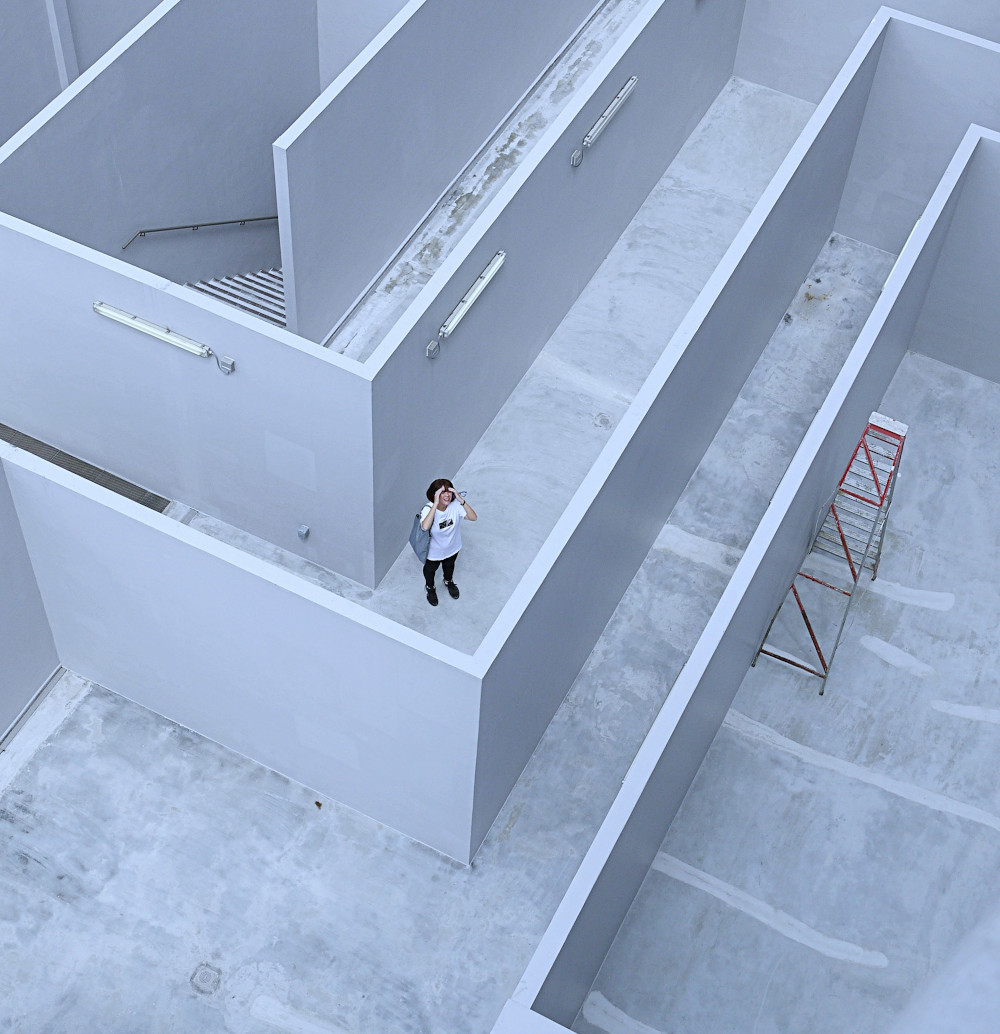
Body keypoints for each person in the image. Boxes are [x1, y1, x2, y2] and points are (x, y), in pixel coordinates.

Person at [420, 478, 477, 606]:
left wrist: (460, 499)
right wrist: (435, 504)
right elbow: (425, 527)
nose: (447, 495)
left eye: (449, 491)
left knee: (449, 567)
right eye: (442, 492)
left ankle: (448, 581)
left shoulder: (456, 505)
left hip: (453, 548)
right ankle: (430, 588)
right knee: (430, 571)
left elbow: (473, 517)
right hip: (434, 552)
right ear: (435, 494)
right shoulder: (428, 510)